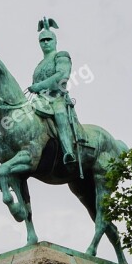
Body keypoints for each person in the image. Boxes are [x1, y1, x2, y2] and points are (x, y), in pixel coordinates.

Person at [27, 17, 78, 166]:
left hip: (57, 98)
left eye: (48, 39)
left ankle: (68, 151)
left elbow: (62, 75)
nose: (46, 43)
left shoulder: (61, 55)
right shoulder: (39, 66)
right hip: (40, 100)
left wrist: (39, 85)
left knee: (60, 114)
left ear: (55, 41)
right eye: (42, 41)